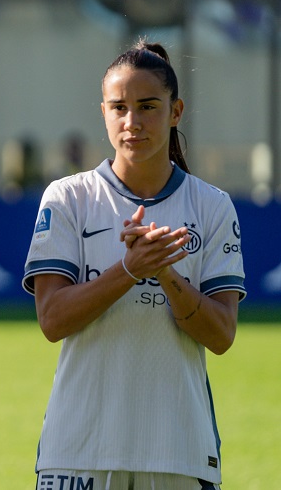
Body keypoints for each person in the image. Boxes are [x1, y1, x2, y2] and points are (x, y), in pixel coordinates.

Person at [24, 41, 245, 490]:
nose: (133, 122)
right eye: (119, 107)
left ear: (176, 110)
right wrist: (128, 270)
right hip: (77, 452)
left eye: (148, 106)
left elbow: (221, 336)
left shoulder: (213, 206)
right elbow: (52, 320)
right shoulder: (68, 198)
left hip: (179, 453)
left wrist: (164, 273)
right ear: (103, 111)